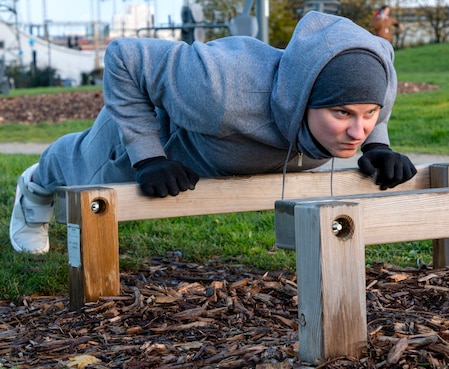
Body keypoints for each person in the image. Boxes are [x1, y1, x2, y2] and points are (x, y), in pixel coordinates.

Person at [10, 11, 417, 254]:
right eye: (341, 112)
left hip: (223, 152)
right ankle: (33, 186)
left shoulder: (378, 81)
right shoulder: (219, 88)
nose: (356, 129)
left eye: (368, 114)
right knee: (88, 172)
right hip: (164, 135)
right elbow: (124, 57)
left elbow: (364, 102)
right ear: (303, 97)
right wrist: (149, 156)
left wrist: (378, 146)